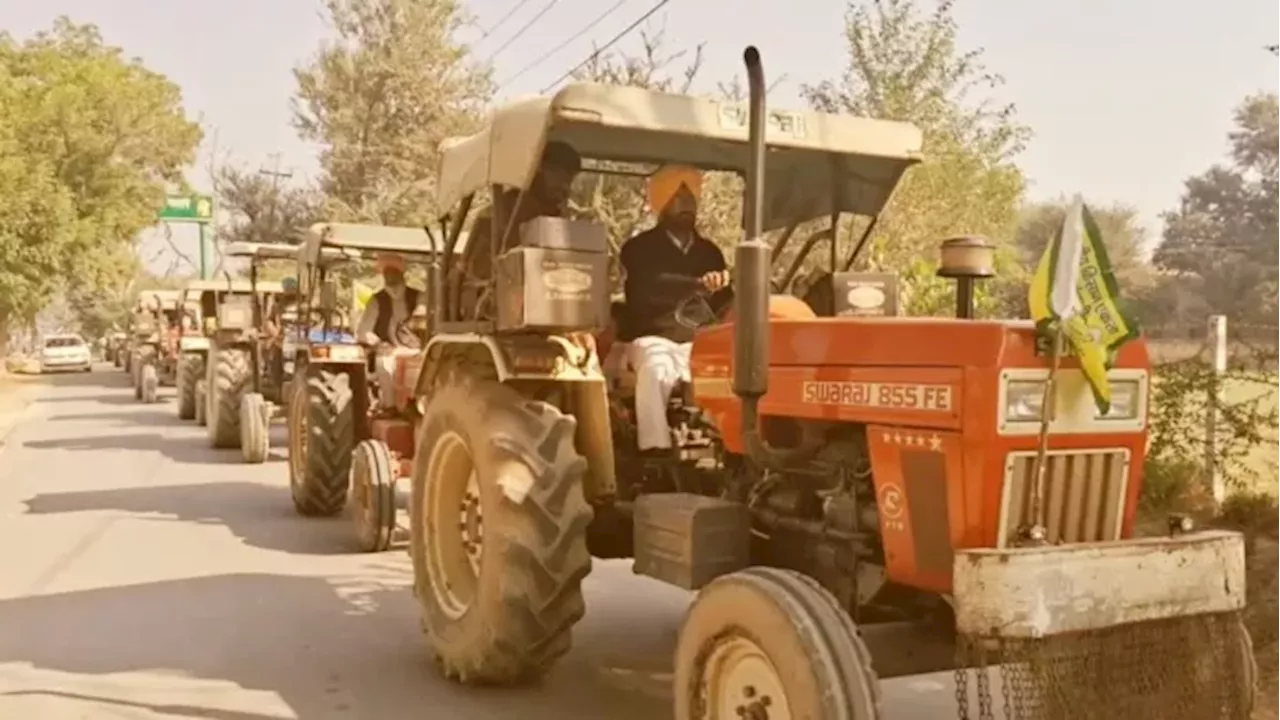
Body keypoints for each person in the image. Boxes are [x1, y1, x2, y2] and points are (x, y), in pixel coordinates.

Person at [619, 164, 730, 455]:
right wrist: (699, 284)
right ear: (661, 202)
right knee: (656, 372)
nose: (686, 203)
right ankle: (654, 450)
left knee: (730, 375)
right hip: (653, 339)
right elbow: (651, 284)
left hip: (699, 342)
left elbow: (724, 301)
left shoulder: (710, 252)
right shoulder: (638, 248)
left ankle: (723, 449)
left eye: (691, 196)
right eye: (678, 196)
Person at [467, 141, 582, 282]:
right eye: (559, 176)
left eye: (569, 179)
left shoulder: (565, 215)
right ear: (539, 169)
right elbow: (477, 269)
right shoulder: (502, 210)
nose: (564, 185)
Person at [356, 252, 423, 410]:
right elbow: (363, 331)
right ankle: (390, 407)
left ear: (402, 273)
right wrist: (379, 343)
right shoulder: (376, 300)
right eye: (387, 272)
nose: (390, 276)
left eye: (394, 272)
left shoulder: (419, 297)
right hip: (390, 350)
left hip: (418, 349)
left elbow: (424, 320)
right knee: (384, 363)